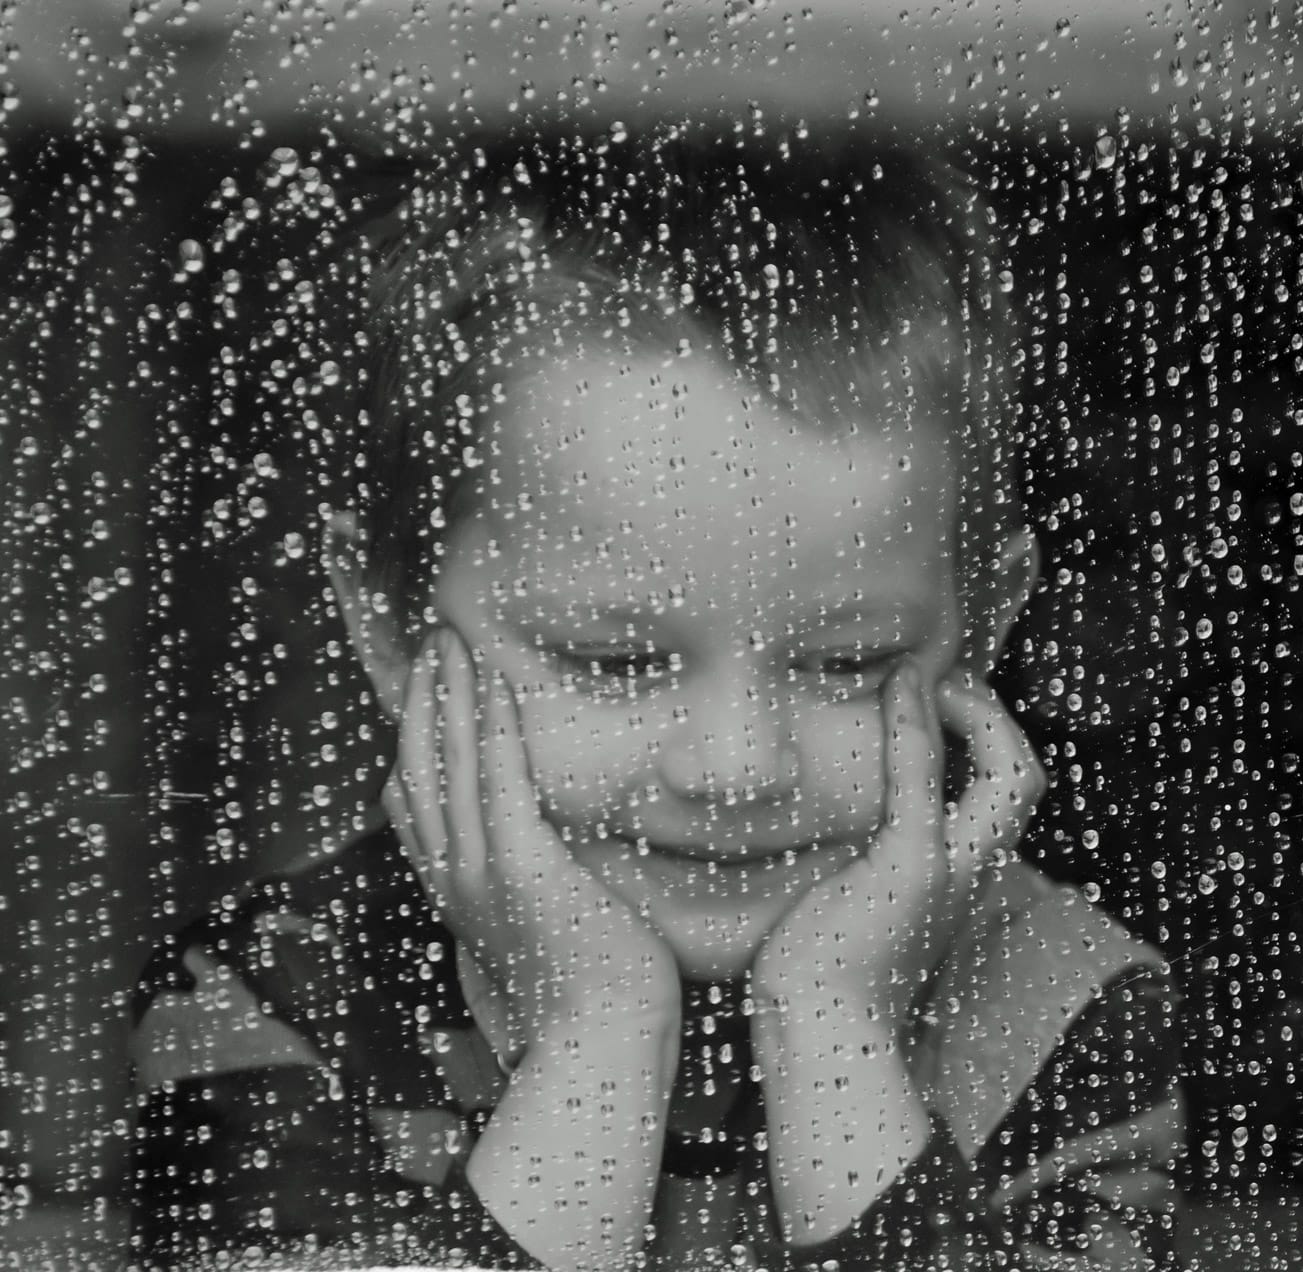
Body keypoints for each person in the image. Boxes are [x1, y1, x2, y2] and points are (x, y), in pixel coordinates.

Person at [121, 132, 1185, 1271]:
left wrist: (833, 1031)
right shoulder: (273, 991)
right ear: (388, 627)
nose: (735, 768)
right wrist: (595, 1043)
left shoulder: (1065, 1008)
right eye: (610, 661)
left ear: (982, 628)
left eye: (849, 664)